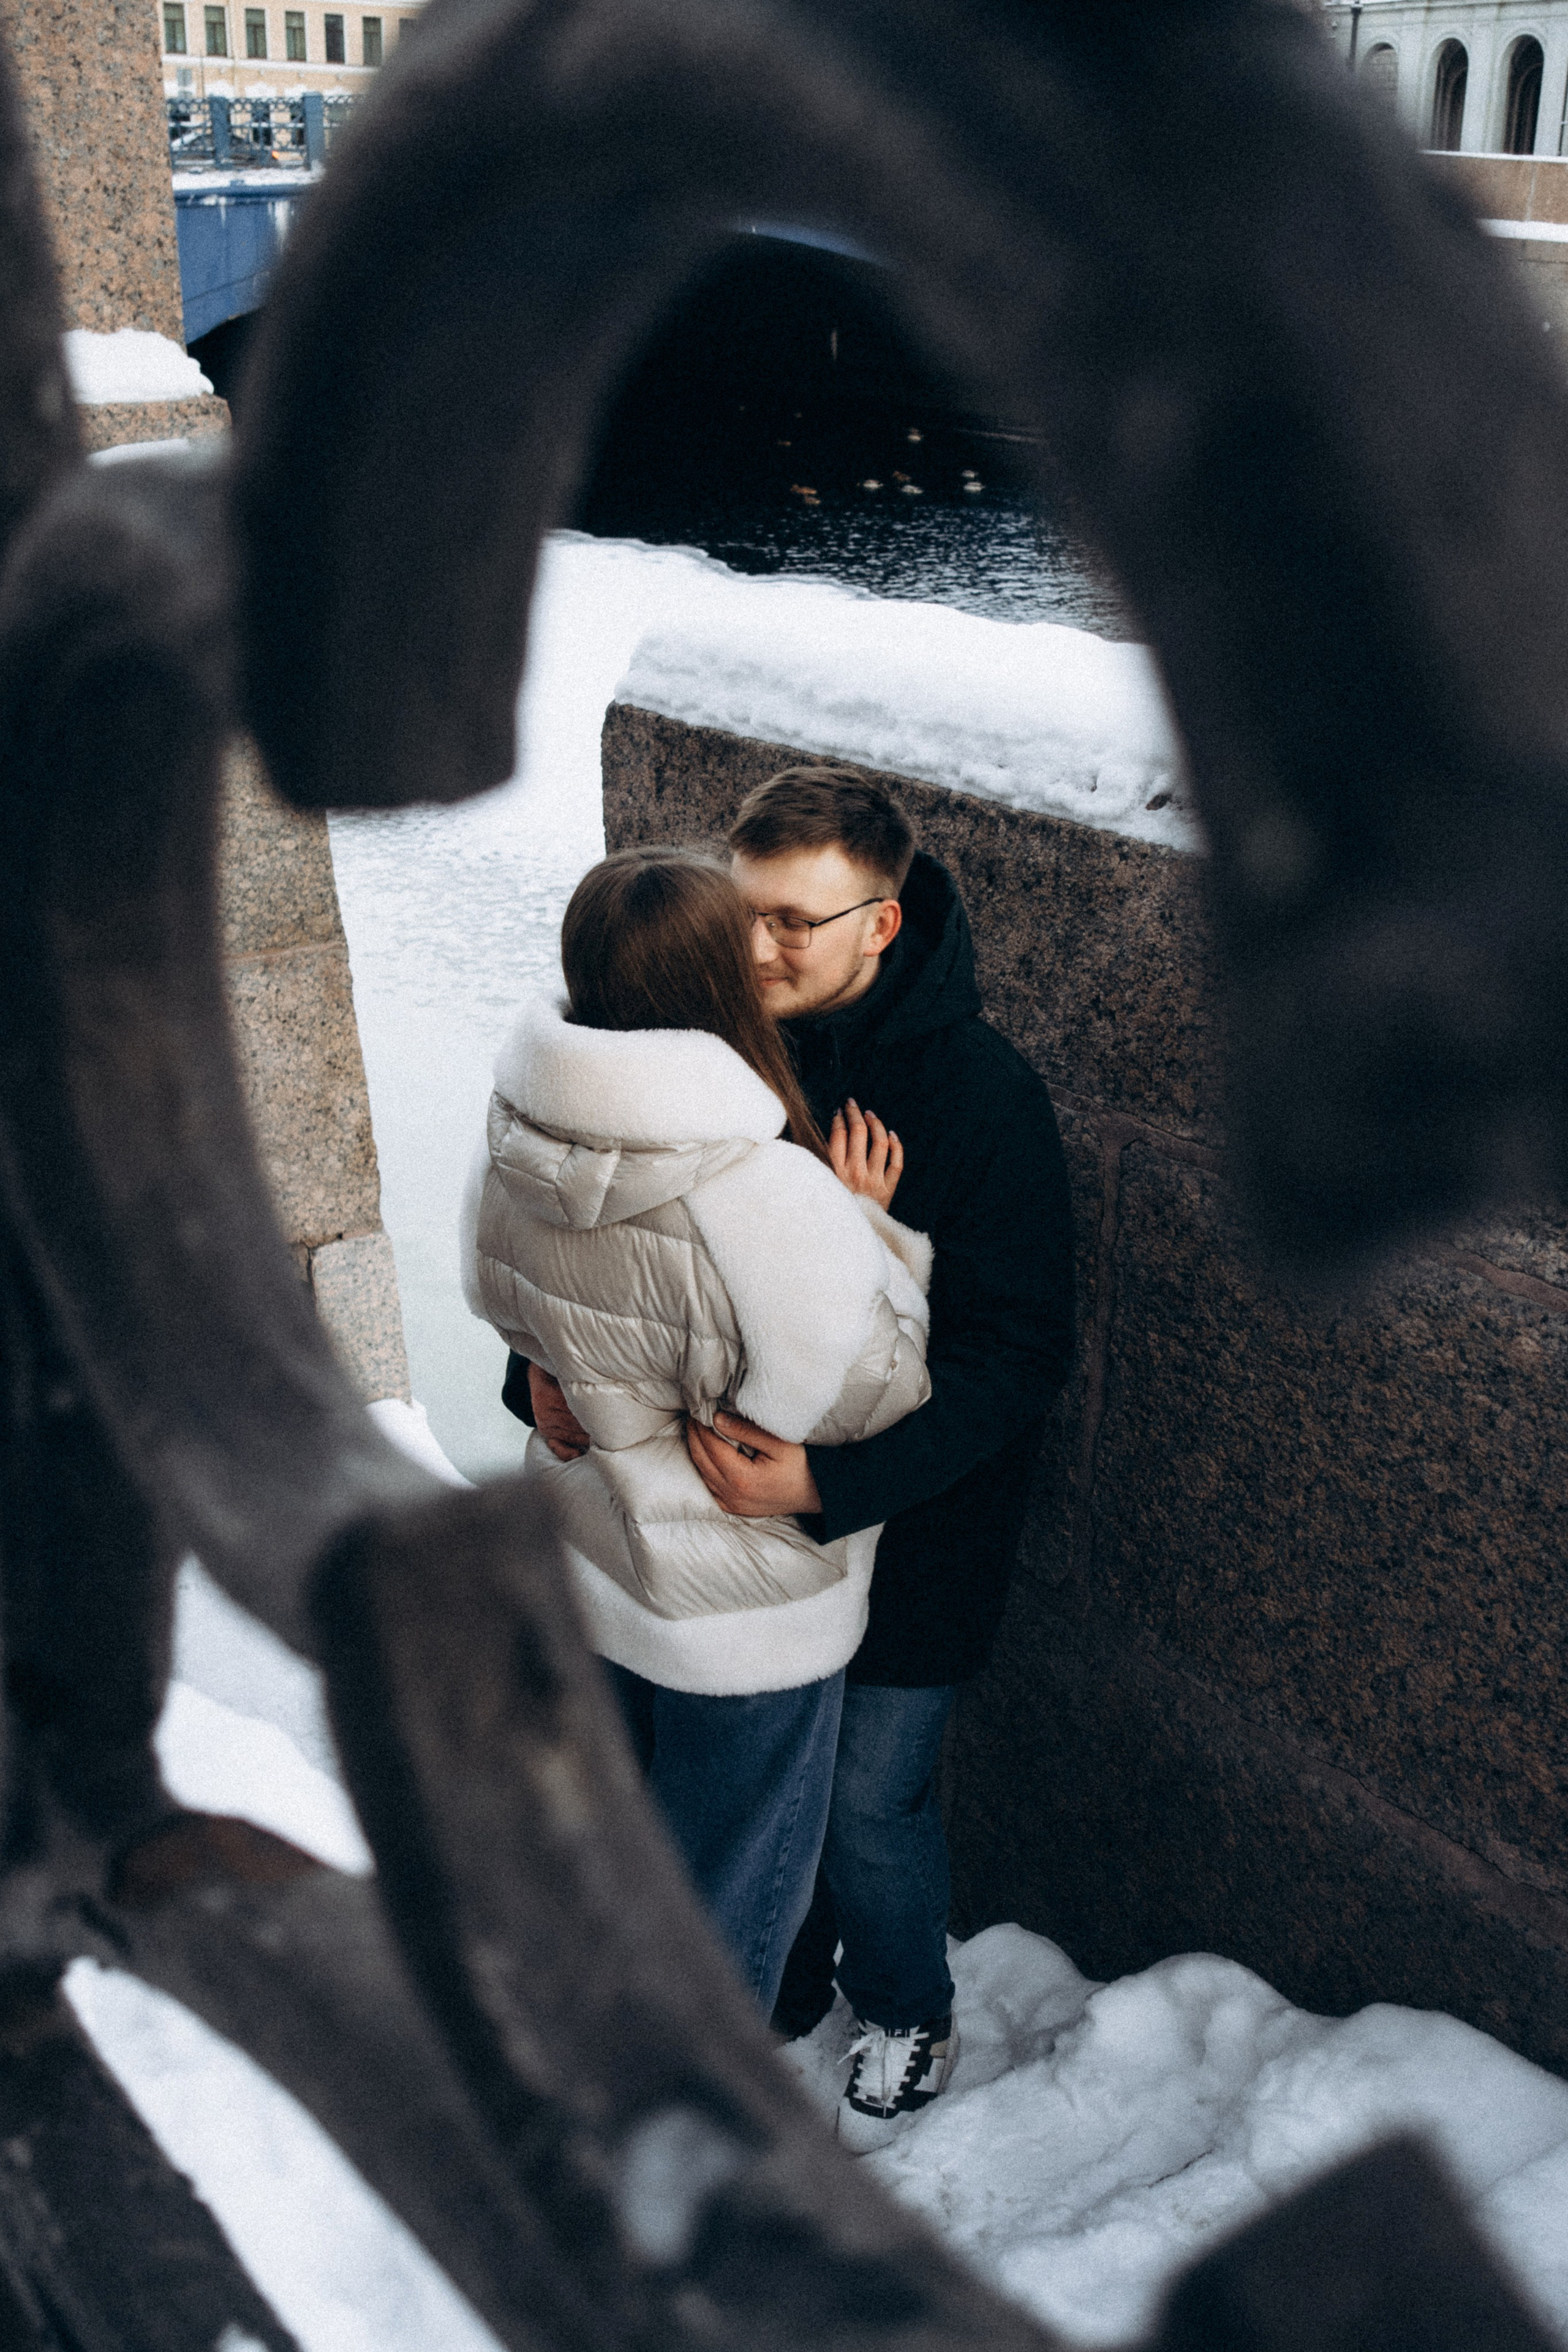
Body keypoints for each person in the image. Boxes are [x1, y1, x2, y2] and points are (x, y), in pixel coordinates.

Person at [466, 846, 933, 2020]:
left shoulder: (518, 1132)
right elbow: (876, 1391)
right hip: (738, 1612)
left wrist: (553, 1376)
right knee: (734, 1894)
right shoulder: (763, 1191)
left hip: (592, 1559)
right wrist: (866, 1227)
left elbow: (508, 1302)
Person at [685, 766, 1076, 2149]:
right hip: (733, 1522)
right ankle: (779, 1979)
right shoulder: (711, 1050)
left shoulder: (977, 1098)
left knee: (864, 1798)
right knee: (754, 1771)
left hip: (914, 1528)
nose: (757, 949)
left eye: (795, 921)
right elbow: (622, 1247)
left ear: (881, 925)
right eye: (744, 914)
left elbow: (1016, 1355)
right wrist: (534, 1375)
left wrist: (830, 1488)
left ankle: (905, 2002)